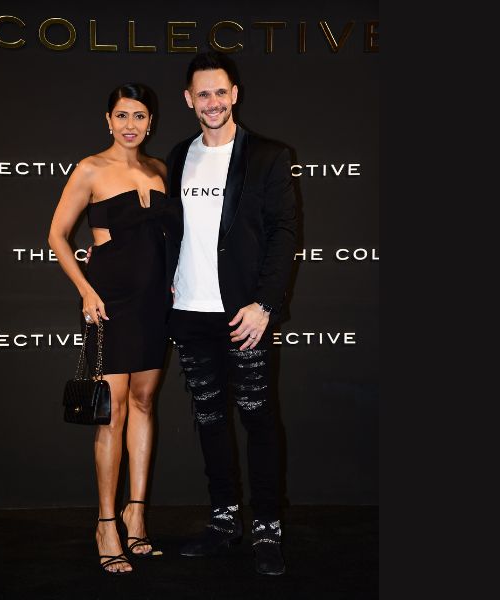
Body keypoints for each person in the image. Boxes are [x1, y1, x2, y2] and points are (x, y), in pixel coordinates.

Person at [165, 51, 297, 576]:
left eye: (221, 91)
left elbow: (284, 234)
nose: (213, 102)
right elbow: (173, 229)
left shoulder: (268, 156)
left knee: (259, 419)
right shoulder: (179, 155)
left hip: (245, 316)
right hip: (189, 313)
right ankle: (224, 522)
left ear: (235, 94)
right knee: (210, 421)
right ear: (189, 99)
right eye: (203, 93)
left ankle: (267, 528)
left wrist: (265, 305)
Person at [48, 83, 182, 574]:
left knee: (145, 403)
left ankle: (136, 514)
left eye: (139, 116)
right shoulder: (90, 169)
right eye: (122, 115)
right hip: (109, 302)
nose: (131, 124)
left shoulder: (160, 170)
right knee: (113, 412)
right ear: (108, 120)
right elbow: (57, 235)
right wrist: (86, 291)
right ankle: (106, 522)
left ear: (151, 122)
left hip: (153, 303)